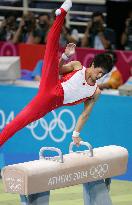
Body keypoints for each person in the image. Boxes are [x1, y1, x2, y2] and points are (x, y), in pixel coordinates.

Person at [0, 0, 113, 148]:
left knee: (17, 124)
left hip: (50, 104)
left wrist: (76, 134)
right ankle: (61, 15)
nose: (99, 76)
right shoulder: (78, 66)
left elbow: (85, 114)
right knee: (51, 52)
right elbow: (58, 71)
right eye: (99, 72)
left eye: (103, 75)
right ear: (93, 65)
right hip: (51, 86)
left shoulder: (95, 92)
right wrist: (66, 57)